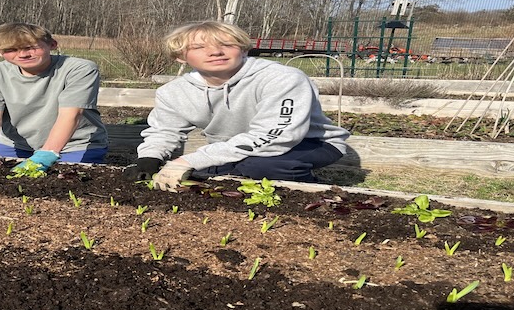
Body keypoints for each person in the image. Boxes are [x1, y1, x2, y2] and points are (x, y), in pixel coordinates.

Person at [124, 20, 350, 191]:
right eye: (199, 47)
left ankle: (308, 192)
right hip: (234, 147)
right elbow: (164, 131)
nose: (215, 52)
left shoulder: (282, 78)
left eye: (226, 44)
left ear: (243, 49)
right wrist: (149, 158)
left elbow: (277, 135)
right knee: (207, 172)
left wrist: (189, 159)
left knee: (260, 168)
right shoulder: (173, 92)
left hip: (309, 142)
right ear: (180, 57)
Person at [0, 22, 108, 173]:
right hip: (15, 145)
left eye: (31, 47)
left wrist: (45, 155)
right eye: (11, 49)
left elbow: (72, 114)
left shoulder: (79, 69)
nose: (23, 54)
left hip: (74, 145)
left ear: (52, 44)